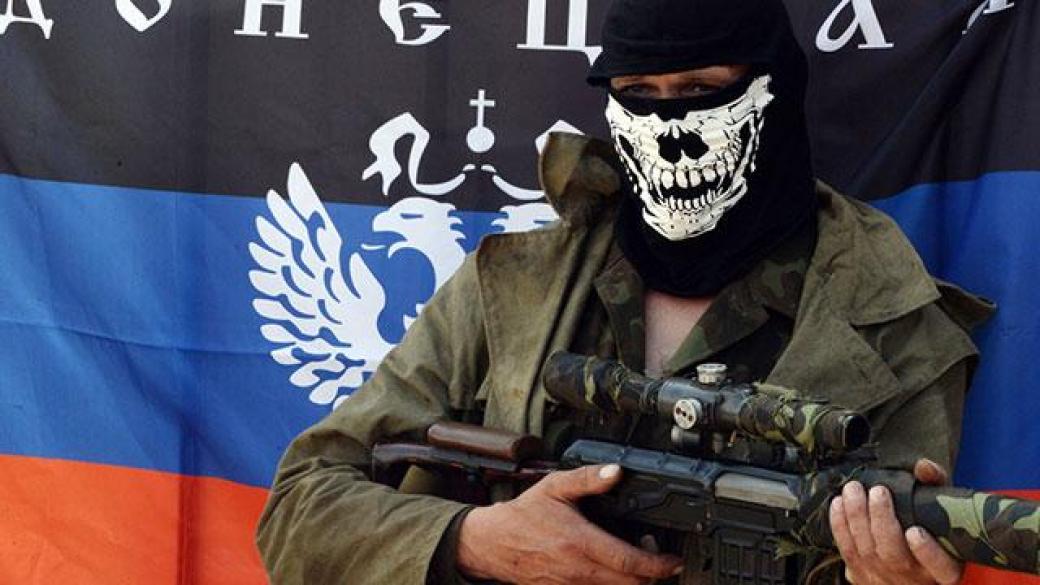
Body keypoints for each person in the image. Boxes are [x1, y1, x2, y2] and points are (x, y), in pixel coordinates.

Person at [256, 1, 992, 583]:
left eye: (700, 90)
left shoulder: (889, 321)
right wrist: (474, 541)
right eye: (639, 93)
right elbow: (301, 503)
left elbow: (902, 542)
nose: (669, 126)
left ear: (775, 93)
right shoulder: (514, 286)